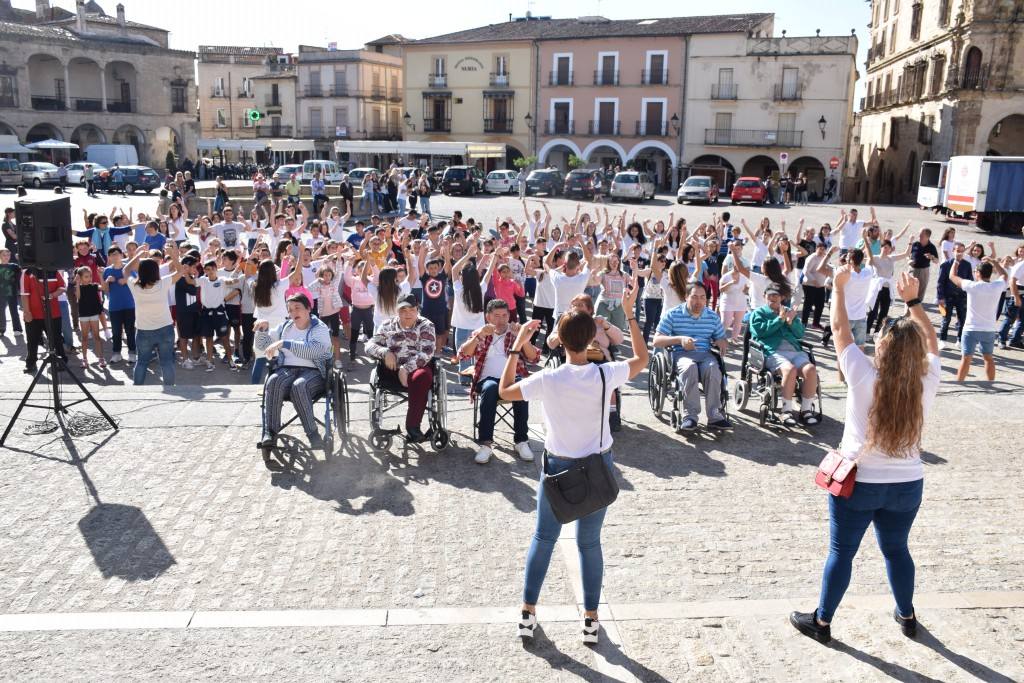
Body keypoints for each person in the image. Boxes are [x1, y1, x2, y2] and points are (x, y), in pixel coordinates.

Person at [790, 270, 940, 645]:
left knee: (842, 552)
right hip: (907, 483)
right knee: (896, 549)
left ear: (885, 347)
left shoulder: (862, 374)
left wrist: (839, 289)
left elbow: (840, 328)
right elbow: (933, 341)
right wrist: (914, 303)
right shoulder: (927, 378)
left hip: (858, 483)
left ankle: (822, 623)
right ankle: (906, 615)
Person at [500, 280, 647, 645]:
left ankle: (527, 613)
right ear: (592, 339)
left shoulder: (549, 379)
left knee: (543, 538)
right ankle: (591, 621)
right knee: (589, 544)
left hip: (558, 467)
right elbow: (642, 359)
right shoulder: (604, 373)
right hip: (598, 466)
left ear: (561, 342)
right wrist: (629, 314)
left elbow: (504, 392)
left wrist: (518, 348)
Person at [459, 299, 539, 464]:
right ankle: (486, 444)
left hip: (511, 379)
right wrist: (479, 336)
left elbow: (534, 358)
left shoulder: (515, 332)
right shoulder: (481, 332)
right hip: (486, 379)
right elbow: (463, 354)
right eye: (496, 316)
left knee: (522, 386)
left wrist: (522, 339)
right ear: (488, 317)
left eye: (504, 315)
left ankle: (521, 440)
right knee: (490, 387)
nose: (501, 320)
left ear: (509, 316)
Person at [255, 293, 334, 449]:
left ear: (308, 309)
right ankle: (269, 433)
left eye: (297, 308)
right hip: (287, 369)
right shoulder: (285, 327)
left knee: (299, 386)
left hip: (314, 371)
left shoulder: (319, 328)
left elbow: (316, 351)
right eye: (290, 310)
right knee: (273, 381)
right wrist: (262, 330)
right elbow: (262, 345)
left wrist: (286, 344)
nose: (293, 313)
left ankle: (313, 434)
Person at [653, 281, 730, 431]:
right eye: (694, 297)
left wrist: (721, 342)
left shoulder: (712, 317)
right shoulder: (673, 314)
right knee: (690, 368)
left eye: (702, 297)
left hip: (705, 354)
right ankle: (690, 416)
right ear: (686, 297)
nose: (699, 301)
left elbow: (721, 338)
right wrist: (679, 340)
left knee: (714, 369)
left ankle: (714, 415)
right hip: (680, 354)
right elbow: (656, 340)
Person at [364, 293, 436, 442]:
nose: (407, 313)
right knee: (382, 369)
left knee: (423, 377)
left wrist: (407, 368)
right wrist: (385, 352)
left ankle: (413, 427)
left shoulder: (426, 325)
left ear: (417, 309)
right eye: (403, 310)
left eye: (411, 309)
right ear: (397, 311)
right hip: (392, 368)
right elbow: (369, 345)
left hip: (417, 367)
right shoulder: (387, 325)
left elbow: (427, 352)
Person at [749, 282, 820, 426]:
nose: (773, 298)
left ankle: (806, 411)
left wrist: (791, 322)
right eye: (770, 295)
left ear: (781, 297)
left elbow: (800, 333)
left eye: (776, 295)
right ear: (764, 296)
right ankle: (786, 411)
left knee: (810, 370)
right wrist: (779, 320)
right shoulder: (758, 313)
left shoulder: (789, 311)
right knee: (790, 370)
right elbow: (760, 332)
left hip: (794, 350)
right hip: (771, 351)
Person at [130, 244, 183, 386]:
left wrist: (138, 255)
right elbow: (181, 270)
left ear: (140, 272)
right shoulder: (163, 283)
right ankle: (170, 389)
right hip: (165, 328)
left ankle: (137, 389)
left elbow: (125, 270)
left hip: (143, 331)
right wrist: (172, 254)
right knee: (166, 362)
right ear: (156, 271)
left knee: (141, 362)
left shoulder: (134, 286)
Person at [951, 258, 1008, 382]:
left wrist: (956, 261)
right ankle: (991, 384)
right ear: (990, 273)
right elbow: (1004, 275)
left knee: (966, 359)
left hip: (970, 329)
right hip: (989, 330)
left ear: (978, 273)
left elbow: (952, 276)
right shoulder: (997, 286)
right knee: (988, 358)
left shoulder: (972, 285)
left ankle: (959, 384)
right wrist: (994, 262)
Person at [102, 246, 137, 364]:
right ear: (109, 257)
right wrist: (107, 281)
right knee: (116, 331)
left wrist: (127, 280)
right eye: (112, 254)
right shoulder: (107, 271)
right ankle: (116, 353)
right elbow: (105, 290)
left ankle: (132, 353)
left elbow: (137, 283)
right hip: (114, 306)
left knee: (130, 330)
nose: (115, 256)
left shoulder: (128, 269)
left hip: (129, 305)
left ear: (122, 255)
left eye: (117, 253)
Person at [935, 242, 972, 344]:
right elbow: (940, 282)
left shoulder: (967, 265)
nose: (959, 253)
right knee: (945, 319)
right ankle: (942, 340)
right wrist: (940, 297)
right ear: (953, 251)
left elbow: (970, 280)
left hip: (961, 297)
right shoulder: (946, 265)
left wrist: (969, 296)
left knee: (962, 319)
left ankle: (960, 340)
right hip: (947, 297)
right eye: (957, 251)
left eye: (961, 251)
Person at [999, 249, 1024, 349]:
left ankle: (1015, 340)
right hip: (1017, 291)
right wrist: (1016, 297)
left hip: (1021, 291)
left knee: (1022, 319)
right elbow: (1012, 281)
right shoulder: (1021, 265)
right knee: (1010, 317)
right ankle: (1001, 340)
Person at [909, 228, 939, 300]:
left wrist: (932, 257)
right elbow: (908, 255)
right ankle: (907, 311)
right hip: (912, 270)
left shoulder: (932, 247)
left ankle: (916, 309)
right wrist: (908, 260)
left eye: (921, 235)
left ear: (927, 237)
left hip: (924, 271)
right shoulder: (915, 244)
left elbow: (937, 261)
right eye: (919, 234)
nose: (919, 236)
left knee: (920, 293)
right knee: (910, 292)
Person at [0, 248, 21, 337]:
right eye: (4, 255)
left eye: (8, 255)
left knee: (14, 311)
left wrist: (19, 259)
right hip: (1, 293)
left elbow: (22, 272)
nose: (6, 257)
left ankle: (17, 329)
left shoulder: (14, 266)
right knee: (1, 311)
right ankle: (1, 329)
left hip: (12, 292)